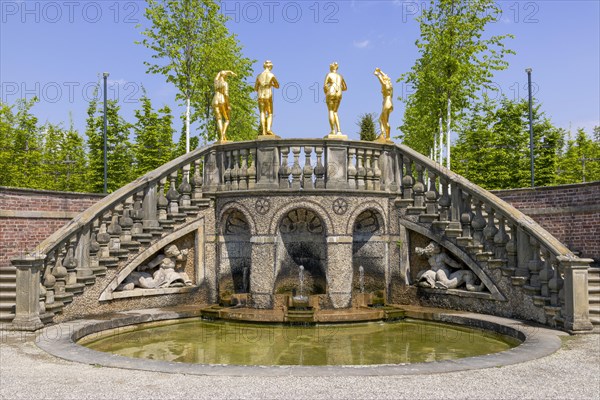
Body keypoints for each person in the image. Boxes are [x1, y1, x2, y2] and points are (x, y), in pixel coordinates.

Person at [255, 60, 280, 136]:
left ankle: (263, 130)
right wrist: (271, 84)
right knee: (270, 113)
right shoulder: (271, 75)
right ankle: (268, 129)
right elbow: (277, 86)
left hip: (260, 95)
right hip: (268, 95)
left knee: (262, 112)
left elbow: (256, 88)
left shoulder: (259, 76)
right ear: (270, 66)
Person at [323, 62, 347, 136]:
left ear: (331, 68)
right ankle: (339, 131)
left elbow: (325, 86)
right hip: (339, 93)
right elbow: (345, 88)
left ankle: (333, 130)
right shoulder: (340, 76)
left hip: (331, 92)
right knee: (335, 112)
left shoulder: (329, 74)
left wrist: (328, 91)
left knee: (330, 111)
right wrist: (338, 88)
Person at [212, 70, 236, 142]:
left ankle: (222, 137)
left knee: (219, 119)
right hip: (222, 100)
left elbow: (218, 74)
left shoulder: (216, 82)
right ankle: (223, 135)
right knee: (227, 119)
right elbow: (226, 94)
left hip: (214, 100)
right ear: (225, 76)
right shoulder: (225, 83)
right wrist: (228, 105)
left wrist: (228, 72)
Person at [374, 68, 393, 142]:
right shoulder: (390, 86)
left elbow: (382, 82)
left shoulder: (386, 85)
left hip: (387, 103)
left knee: (385, 121)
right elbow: (385, 77)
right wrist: (380, 71)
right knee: (381, 119)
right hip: (390, 103)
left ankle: (387, 137)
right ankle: (383, 134)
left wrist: (377, 75)